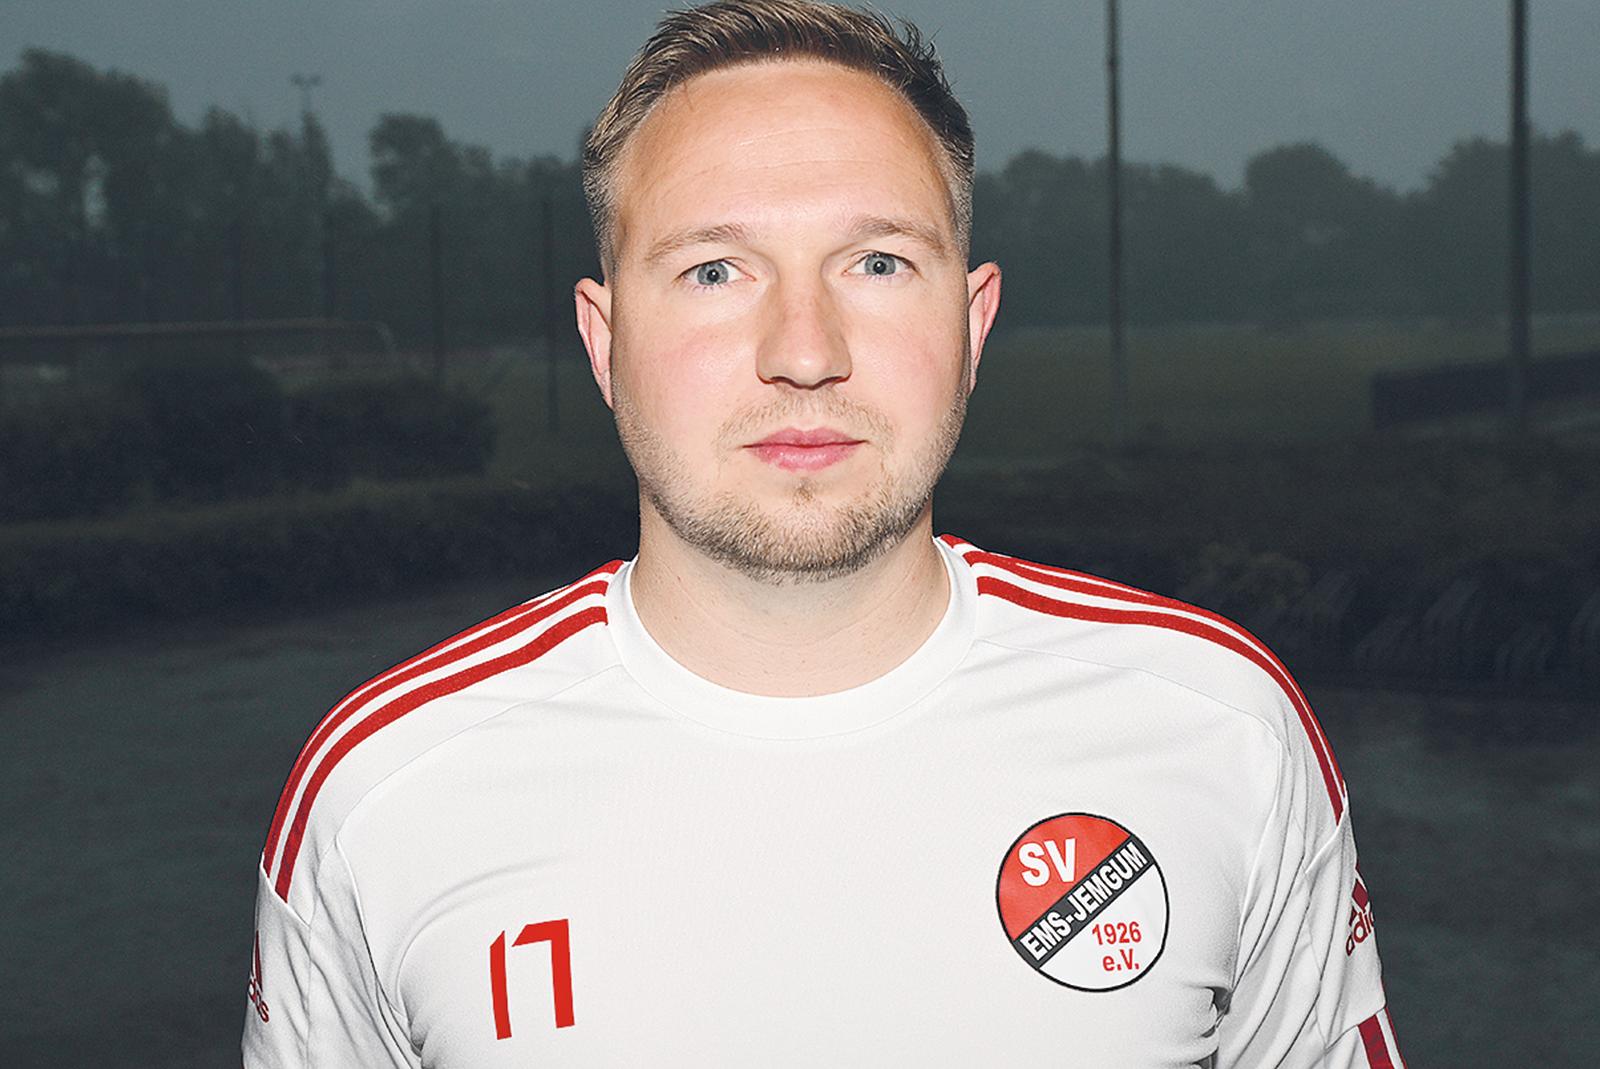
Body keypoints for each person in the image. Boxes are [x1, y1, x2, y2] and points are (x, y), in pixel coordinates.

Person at [244, 1, 1405, 1065]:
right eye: (714, 270)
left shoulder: (1222, 730)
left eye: (877, 262)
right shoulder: (380, 797)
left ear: (972, 325)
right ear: (604, 343)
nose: (804, 350)